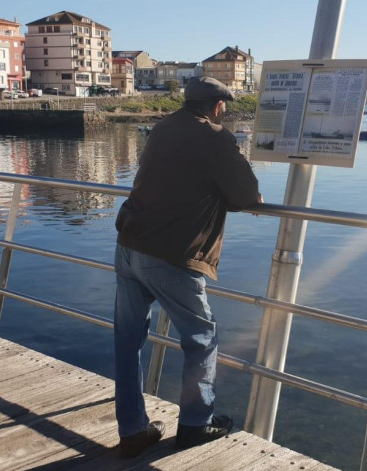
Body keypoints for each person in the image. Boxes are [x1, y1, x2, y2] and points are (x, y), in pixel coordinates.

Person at [112, 76, 261, 458]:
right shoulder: (214, 137)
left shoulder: (162, 129)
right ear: (217, 106)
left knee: (128, 342)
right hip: (172, 253)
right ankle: (196, 425)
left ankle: (132, 430)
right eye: (223, 108)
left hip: (130, 243)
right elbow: (246, 196)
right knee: (201, 340)